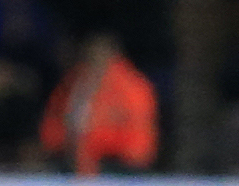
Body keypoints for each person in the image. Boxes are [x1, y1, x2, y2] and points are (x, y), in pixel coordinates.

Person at [43, 32, 159, 176]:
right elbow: (52, 123)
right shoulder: (72, 83)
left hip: (120, 166)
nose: (96, 60)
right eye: (91, 56)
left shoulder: (134, 88)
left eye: (101, 54)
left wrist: (93, 144)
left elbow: (140, 141)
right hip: (74, 161)